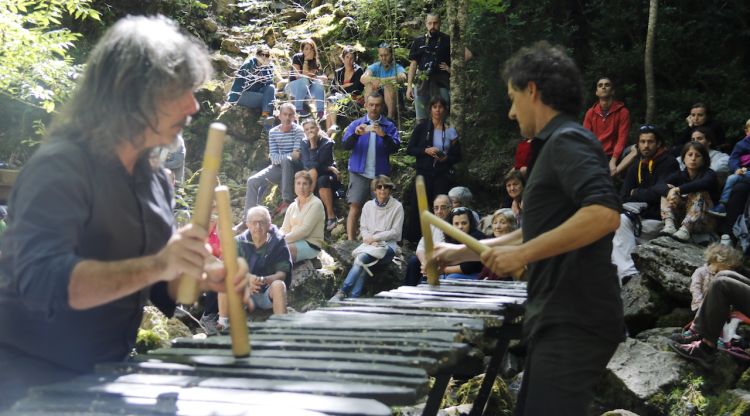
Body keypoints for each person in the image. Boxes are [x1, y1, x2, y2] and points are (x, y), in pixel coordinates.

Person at [0, 16, 252, 409]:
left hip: (103, 377)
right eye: (180, 91)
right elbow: (45, 284)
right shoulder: (60, 168)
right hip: (27, 383)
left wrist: (205, 276)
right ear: (133, 91)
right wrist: (158, 264)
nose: (194, 105)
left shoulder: (152, 178)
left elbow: (156, 285)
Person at [432, 42, 624, 415]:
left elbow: (604, 213)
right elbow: (538, 228)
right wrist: (463, 251)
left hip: (576, 314)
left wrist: (521, 255)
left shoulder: (568, 139)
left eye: (512, 97)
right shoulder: (554, 147)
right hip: (560, 315)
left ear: (532, 90)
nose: (510, 111)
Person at [612, 125, 679, 282]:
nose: (646, 145)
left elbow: (663, 192)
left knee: (619, 227)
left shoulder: (669, 163)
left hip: (659, 221)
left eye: (650, 141)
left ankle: (629, 274)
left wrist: (636, 193)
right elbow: (623, 197)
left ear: (659, 144)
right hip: (637, 220)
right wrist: (647, 193)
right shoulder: (636, 166)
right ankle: (622, 278)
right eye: (642, 142)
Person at [330, 175, 403, 300]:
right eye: (379, 187)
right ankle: (354, 298)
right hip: (370, 245)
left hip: (388, 247)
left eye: (386, 187)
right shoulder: (368, 206)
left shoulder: (397, 207)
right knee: (364, 262)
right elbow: (363, 228)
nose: (382, 189)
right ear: (374, 190)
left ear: (390, 189)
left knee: (361, 258)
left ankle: (343, 291)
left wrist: (375, 238)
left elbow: (396, 232)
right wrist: (368, 239)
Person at [341, 92, 400, 240]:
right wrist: (355, 134)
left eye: (377, 105)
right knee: (355, 206)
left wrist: (384, 136)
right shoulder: (357, 124)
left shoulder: (388, 125)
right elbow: (345, 145)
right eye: (371, 105)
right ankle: (350, 240)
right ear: (366, 105)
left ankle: (379, 240)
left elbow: (395, 147)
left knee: (382, 208)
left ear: (382, 106)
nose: (374, 108)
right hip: (358, 172)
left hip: (380, 174)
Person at [405, 95, 461, 242]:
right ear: (430, 110)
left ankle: (441, 238)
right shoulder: (422, 128)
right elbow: (410, 149)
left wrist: (446, 158)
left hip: (442, 174)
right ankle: (414, 239)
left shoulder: (450, 131)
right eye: (434, 107)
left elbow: (458, 156)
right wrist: (425, 151)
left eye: (440, 107)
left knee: (440, 206)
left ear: (445, 110)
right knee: (419, 204)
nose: (437, 110)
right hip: (423, 172)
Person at [239, 102, 304, 228]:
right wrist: (288, 155)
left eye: (290, 115)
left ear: (295, 116)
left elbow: (297, 156)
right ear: (279, 116)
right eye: (285, 114)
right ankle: (247, 219)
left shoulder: (298, 131)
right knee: (252, 181)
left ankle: (287, 200)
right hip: (278, 167)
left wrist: (286, 157)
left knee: (287, 160)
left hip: (296, 166)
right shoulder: (273, 132)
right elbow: (273, 158)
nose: (287, 118)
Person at [405, 13, 472, 123]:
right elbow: (413, 64)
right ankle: (425, 139)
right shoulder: (418, 41)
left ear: (440, 23)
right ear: (426, 24)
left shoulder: (447, 40)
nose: (433, 26)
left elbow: (468, 55)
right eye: (430, 23)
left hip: (442, 83)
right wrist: (409, 86)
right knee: (422, 120)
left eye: (435, 23)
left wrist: (451, 68)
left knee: (442, 118)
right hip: (422, 84)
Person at [656, 142, 718, 242]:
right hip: (681, 217)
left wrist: (677, 189)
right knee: (666, 192)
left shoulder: (709, 174)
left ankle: (686, 229)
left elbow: (704, 183)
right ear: (683, 158)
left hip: (705, 220)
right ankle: (669, 225)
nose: (693, 159)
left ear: (704, 159)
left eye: (697, 155)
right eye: (690, 155)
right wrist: (670, 191)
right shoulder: (680, 175)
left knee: (698, 192)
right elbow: (658, 186)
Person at [237, 206, 290, 315]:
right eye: (254, 222)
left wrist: (262, 280)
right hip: (243, 292)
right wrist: (248, 279)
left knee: (279, 285)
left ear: (269, 224)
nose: (258, 226)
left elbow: (282, 274)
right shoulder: (238, 242)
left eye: (262, 222)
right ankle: (224, 322)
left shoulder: (278, 242)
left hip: (267, 292)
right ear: (247, 224)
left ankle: (282, 326)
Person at [582, 77, 631, 176]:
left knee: (636, 149)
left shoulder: (623, 112)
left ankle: (614, 174)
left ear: (612, 91)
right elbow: (586, 139)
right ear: (597, 92)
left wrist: (613, 160)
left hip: (616, 155)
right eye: (600, 85)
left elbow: (622, 138)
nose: (603, 87)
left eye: (607, 85)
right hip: (597, 155)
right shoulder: (590, 113)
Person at [299, 119, 340, 230]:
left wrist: (313, 145)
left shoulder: (327, 142)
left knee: (320, 177)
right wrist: (327, 167)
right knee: (311, 171)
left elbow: (317, 164)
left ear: (317, 128)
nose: (309, 131)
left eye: (312, 128)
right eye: (306, 130)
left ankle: (331, 216)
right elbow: (307, 164)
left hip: (328, 176)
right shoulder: (303, 142)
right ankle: (308, 203)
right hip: (314, 175)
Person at [403, 194, 451, 286]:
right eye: (436, 208)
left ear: (450, 208)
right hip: (429, 261)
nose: (439, 211)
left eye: (443, 208)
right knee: (414, 261)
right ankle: (407, 291)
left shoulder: (454, 224)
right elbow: (420, 248)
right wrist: (425, 262)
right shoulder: (432, 224)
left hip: (442, 262)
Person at [280, 170, 325, 262]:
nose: (301, 187)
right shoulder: (292, 206)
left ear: (310, 187)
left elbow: (305, 231)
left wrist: (281, 241)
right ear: (294, 185)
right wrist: (276, 237)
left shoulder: (316, 204)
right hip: (293, 241)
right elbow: (285, 228)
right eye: (298, 183)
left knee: (281, 251)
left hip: (310, 245)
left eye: (305, 184)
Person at [225, 44, 277, 123]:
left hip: (256, 94)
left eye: (267, 55)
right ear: (257, 55)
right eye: (261, 54)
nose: (264, 57)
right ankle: (267, 116)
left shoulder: (268, 67)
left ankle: (265, 116)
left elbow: (269, 85)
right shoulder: (249, 64)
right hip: (242, 95)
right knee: (270, 100)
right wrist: (231, 101)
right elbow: (239, 84)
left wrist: (265, 70)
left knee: (271, 88)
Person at [710, 119, 750, 215]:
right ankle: (722, 204)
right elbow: (733, 159)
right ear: (747, 131)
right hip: (745, 172)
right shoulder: (741, 145)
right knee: (732, 178)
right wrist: (737, 169)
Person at [360, 43, 406, 120]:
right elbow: (363, 78)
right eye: (381, 56)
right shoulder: (375, 66)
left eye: (386, 55)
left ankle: (390, 118)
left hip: (395, 101)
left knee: (388, 85)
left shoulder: (397, 67)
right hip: (378, 100)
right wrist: (374, 80)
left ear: (391, 55)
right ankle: (369, 115)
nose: (383, 58)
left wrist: (383, 81)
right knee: (369, 85)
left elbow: (403, 77)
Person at [326, 45, 365, 133]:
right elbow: (332, 89)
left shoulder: (358, 71)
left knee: (330, 101)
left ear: (354, 59)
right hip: (339, 98)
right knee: (330, 100)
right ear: (343, 58)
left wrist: (340, 87)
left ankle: (331, 130)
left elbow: (356, 88)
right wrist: (345, 85)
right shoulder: (338, 72)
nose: (349, 60)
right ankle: (332, 128)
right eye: (347, 57)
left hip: (353, 98)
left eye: (351, 58)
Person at [439, 207, 485, 280]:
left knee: (451, 278)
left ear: (470, 223)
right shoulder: (450, 237)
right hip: (454, 273)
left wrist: (442, 270)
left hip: (476, 274)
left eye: (464, 223)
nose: (460, 227)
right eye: (456, 224)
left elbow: (467, 267)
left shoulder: (477, 237)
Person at [286, 38, 327, 118]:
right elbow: (299, 76)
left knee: (319, 83)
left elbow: (312, 77)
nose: (309, 51)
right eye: (306, 49)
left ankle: (320, 111)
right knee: (304, 80)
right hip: (293, 87)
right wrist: (305, 61)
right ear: (302, 50)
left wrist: (319, 78)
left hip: (308, 90)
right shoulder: (297, 57)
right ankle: (298, 108)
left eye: (311, 49)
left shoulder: (315, 61)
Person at [479, 208, 518, 280]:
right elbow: (483, 274)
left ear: (512, 225)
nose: (497, 227)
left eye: (503, 223)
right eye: (495, 223)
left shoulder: (515, 248)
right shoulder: (491, 244)